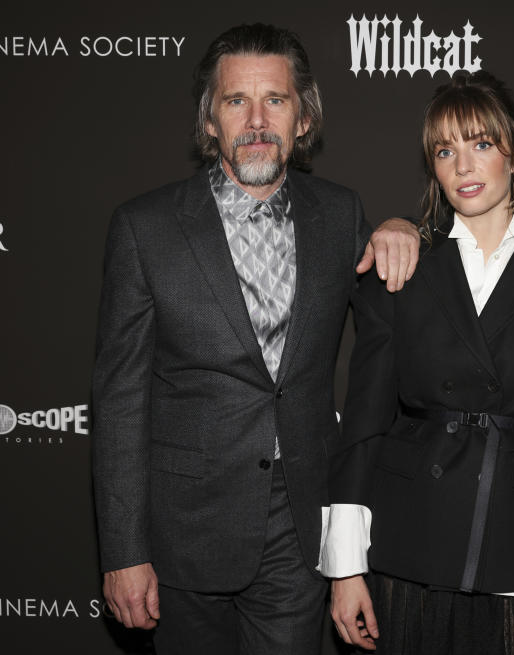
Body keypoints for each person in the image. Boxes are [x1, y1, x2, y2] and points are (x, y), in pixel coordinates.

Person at [91, 23, 419, 655]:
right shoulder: (145, 227)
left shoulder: (340, 213)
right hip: (184, 530)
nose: (257, 119)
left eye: (277, 100)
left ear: (303, 118)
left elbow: (406, 303)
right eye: (236, 101)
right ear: (210, 120)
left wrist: (404, 224)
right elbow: (119, 400)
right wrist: (124, 551)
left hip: (298, 524)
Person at [320, 71, 514, 655]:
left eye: (481, 145)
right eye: (446, 151)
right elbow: (363, 426)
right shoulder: (403, 273)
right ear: (433, 167)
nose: (464, 165)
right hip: (411, 542)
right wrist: (345, 568)